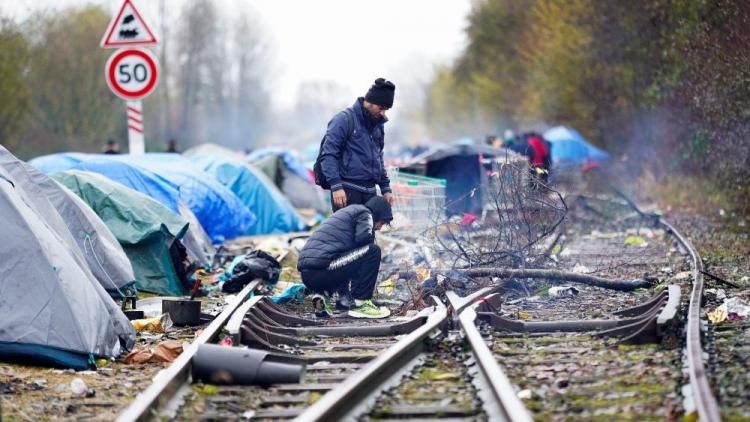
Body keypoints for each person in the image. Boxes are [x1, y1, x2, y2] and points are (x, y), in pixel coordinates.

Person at [297, 196, 393, 319]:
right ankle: (361, 304)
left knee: (347, 256)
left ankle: (322, 296)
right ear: (377, 213)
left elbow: (348, 256)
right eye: (382, 222)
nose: (380, 227)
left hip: (309, 276)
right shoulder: (365, 213)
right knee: (372, 251)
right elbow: (363, 239)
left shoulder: (348, 213)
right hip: (323, 268)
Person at [319, 78, 397, 212]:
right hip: (346, 193)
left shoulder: (378, 126)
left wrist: (385, 188)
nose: (383, 113)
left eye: (387, 109)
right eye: (381, 108)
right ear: (370, 102)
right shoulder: (343, 120)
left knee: (367, 233)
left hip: (370, 194)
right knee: (346, 233)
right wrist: (336, 186)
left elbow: (378, 158)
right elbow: (328, 155)